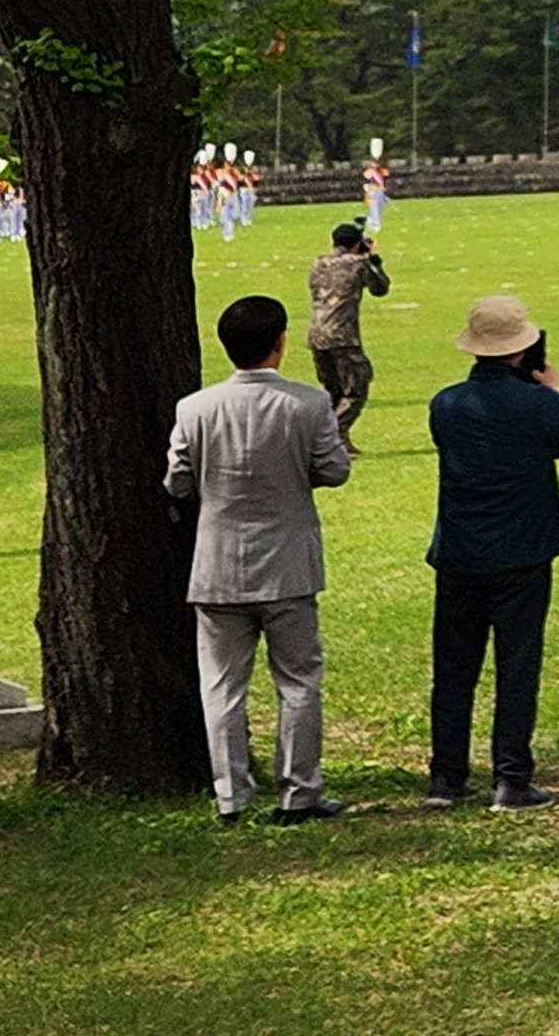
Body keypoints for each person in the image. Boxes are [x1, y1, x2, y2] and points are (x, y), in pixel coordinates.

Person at [165, 291, 355, 822]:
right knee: (298, 682)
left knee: (222, 687)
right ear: (279, 343)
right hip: (288, 563)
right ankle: (299, 791)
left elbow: (177, 481)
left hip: (218, 564)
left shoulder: (195, 408)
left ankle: (231, 795)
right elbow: (335, 469)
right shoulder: (308, 403)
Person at [426, 291, 559, 808]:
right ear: (523, 348)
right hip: (521, 550)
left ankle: (446, 775)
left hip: (460, 550)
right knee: (516, 666)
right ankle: (512, 777)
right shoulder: (539, 404)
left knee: (454, 669)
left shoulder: (446, 404)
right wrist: (552, 391)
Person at [307, 223, 390, 446]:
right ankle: (331, 437)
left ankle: (339, 440)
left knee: (333, 390)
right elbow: (380, 288)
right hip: (343, 336)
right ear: (357, 244)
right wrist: (374, 260)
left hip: (317, 335)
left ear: (333, 242)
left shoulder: (318, 263)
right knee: (356, 388)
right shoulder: (358, 264)